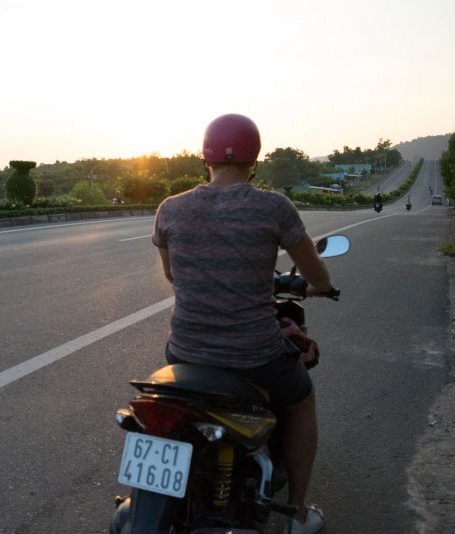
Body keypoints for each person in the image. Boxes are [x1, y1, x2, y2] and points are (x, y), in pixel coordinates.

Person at [152, 114, 334, 534]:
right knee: (301, 398)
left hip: (184, 351)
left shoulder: (171, 208)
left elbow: (172, 276)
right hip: (256, 353)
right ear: (254, 160)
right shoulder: (273, 206)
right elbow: (313, 269)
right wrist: (321, 286)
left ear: (206, 158)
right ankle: (300, 514)